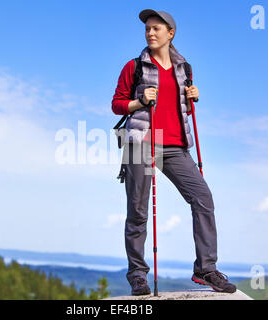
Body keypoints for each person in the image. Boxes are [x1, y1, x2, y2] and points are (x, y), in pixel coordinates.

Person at [111, 9, 237, 296]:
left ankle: (205, 269)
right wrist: (139, 101)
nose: (150, 33)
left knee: (202, 198)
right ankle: (138, 275)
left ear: (171, 33)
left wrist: (193, 96)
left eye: (157, 28)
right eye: (147, 29)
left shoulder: (185, 69)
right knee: (138, 211)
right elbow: (117, 104)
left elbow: (182, 108)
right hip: (141, 141)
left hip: (175, 145)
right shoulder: (135, 67)